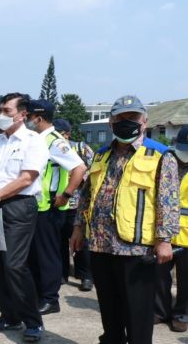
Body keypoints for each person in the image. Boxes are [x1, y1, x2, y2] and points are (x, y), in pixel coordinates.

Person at [70, 95, 179, 344]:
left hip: (136, 249)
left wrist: (164, 240)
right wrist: (78, 228)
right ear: (110, 123)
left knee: (138, 315)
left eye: (133, 117)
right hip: (100, 246)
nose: (127, 122)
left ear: (144, 121)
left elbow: (168, 202)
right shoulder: (100, 155)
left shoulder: (161, 156)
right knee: (110, 311)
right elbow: (86, 196)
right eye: (121, 118)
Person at [0, 93, 48, 342]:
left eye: (7, 111)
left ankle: (32, 321)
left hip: (18, 207)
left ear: (22, 114)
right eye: (0, 110)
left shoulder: (34, 141)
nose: (1, 115)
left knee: (14, 265)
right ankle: (9, 315)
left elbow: (27, 178)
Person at [24, 100, 87, 316]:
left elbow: (79, 168)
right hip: (36, 207)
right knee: (34, 254)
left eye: (29, 116)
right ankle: (39, 294)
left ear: (39, 118)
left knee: (48, 255)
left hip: (50, 207)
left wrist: (67, 194)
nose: (26, 119)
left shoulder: (53, 141)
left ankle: (51, 299)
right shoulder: (36, 139)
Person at [53, 118, 94, 291]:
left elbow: (93, 170)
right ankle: (62, 274)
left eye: (59, 134)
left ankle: (85, 275)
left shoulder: (81, 148)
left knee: (80, 242)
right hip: (57, 204)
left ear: (67, 134)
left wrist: (77, 180)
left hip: (77, 204)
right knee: (59, 242)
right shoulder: (51, 148)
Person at [155, 125, 188, 333]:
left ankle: (182, 314)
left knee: (186, 278)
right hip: (163, 230)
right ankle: (159, 311)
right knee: (158, 273)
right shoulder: (165, 160)